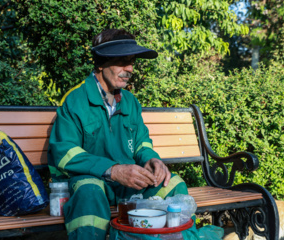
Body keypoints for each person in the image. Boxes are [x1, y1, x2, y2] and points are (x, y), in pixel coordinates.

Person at [48, 29, 190, 240]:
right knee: (89, 190)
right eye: (122, 61)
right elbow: (64, 152)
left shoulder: (131, 102)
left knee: (174, 185)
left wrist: (152, 160)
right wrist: (112, 171)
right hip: (91, 184)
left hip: (127, 187)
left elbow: (142, 142)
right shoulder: (75, 100)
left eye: (131, 61)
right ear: (100, 63)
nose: (130, 68)